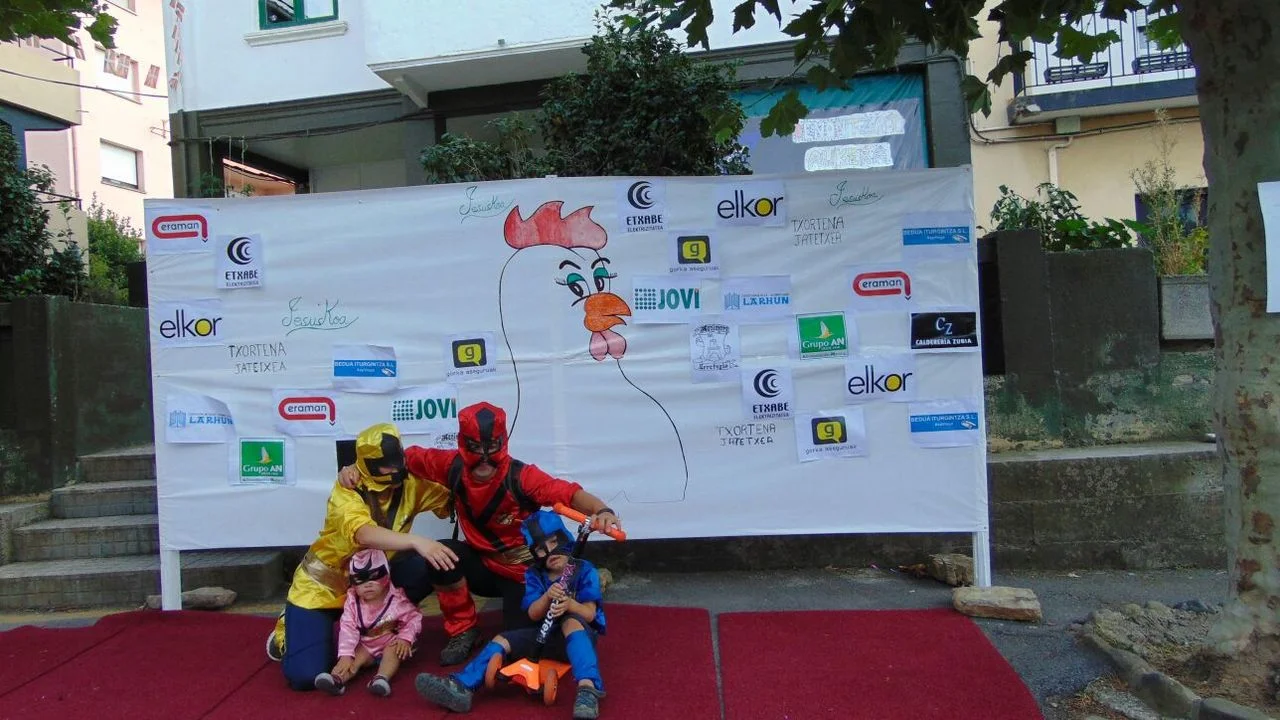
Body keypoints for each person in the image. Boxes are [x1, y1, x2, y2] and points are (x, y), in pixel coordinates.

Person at [338, 401, 622, 666]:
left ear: (503, 443)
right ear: (463, 444)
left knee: (521, 643)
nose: (484, 459)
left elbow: (567, 493)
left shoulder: (522, 477)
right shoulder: (450, 466)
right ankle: (463, 629)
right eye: (475, 448)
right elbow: (401, 459)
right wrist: (355, 468)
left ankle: (586, 580)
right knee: (443, 554)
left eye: (492, 447)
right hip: (482, 565)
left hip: (522, 573)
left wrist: (602, 509)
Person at [267, 422, 458, 692]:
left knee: (437, 560)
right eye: (386, 466)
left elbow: (451, 498)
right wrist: (417, 541)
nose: (395, 469)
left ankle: (384, 628)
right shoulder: (347, 488)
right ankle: (289, 625)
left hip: (375, 585)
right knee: (305, 676)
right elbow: (363, 533)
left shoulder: (411, 482)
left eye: (398, 460)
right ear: (367, 465)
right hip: (325, 588)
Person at [414, 511, 608, 719]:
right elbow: (533, 614)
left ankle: (588, 689)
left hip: (577, 636)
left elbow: (589, 614)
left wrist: (570, 604)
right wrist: (546, 598)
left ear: (565, 538)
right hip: (543, 636)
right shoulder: (534, 574)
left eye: (554, 541)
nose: (550, 551)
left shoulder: (584, 570)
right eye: (540, 548)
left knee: (571, 622)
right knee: (502, 639)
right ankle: (462, 686)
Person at [313, 548, 422, 698]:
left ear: (387, 574)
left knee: (393, 651)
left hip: (390, 641)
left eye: (374, 576)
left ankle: (381, 678)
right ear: (352, 583)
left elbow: (413, 618)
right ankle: (337, 680)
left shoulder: (397, 599)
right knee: (354, 657)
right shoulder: (352, 602)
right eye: (360, 580)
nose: (368, 584)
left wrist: (405, 638)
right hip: (366, 643)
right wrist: (346, 654)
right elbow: (348, 627)